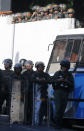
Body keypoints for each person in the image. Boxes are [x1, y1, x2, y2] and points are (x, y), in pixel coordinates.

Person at [52, 59, 74, 129]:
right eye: (63, 66)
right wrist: (58, 80)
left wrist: (66, 81)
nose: (64, 68)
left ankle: (59, 124)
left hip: (65, 92)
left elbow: (72, 84)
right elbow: (52, 81)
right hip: (58, 92)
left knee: (62, 109)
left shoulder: (70, 75)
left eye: (65, 67)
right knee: (58, 108)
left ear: (67, 67)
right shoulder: (57, 73)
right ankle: (56, 123)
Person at [32, 61, 51, 125]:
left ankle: (40, 121)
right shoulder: (34, 74)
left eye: (42, 67)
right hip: (35, 94)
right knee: (35, 108)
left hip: (43, 94)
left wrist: (44, 80)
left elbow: (50, 80)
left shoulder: (46, 74)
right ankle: (34, 121)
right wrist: (38, 80)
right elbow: (31, 79)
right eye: (39, 67)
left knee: (42, 108)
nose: (41, 68)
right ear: (37, 67)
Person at [22, 60, 35, 125]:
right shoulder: (24, 73)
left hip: (32, 92)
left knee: (31, 106)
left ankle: (31, 120)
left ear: (32, 66)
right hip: (26, 92)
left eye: (29, 66)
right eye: (26, 66)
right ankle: (25, 119)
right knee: (25, 106)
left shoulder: (35, 73)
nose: (27, 67)